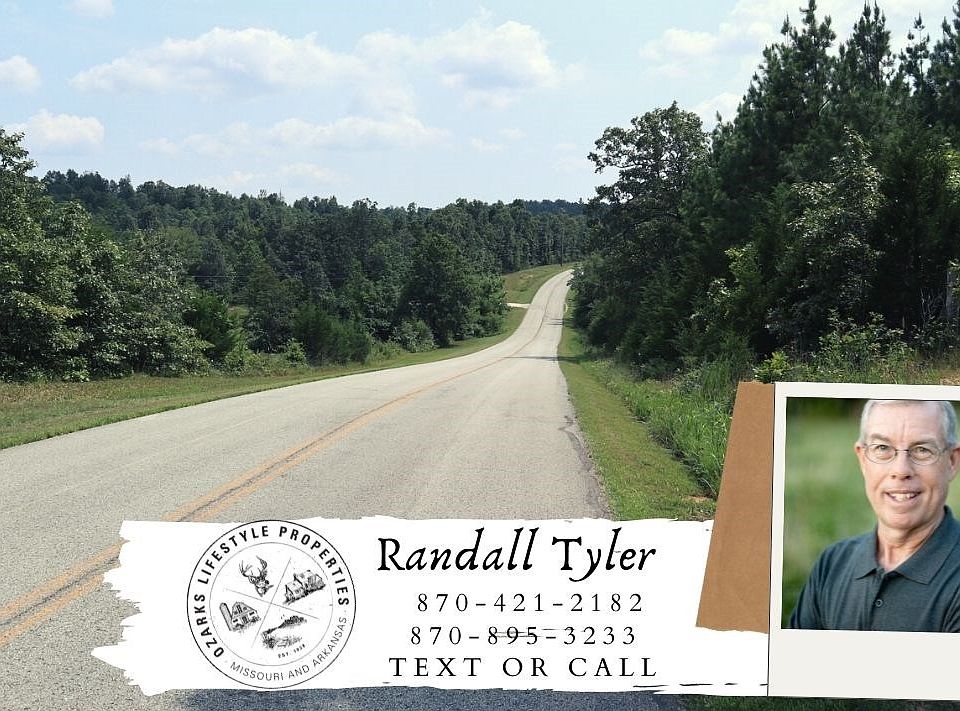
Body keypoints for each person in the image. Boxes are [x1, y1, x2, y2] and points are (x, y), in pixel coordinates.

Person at [790, 399, 960, 631]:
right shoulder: (832, 564)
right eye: (882, 448)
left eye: (922, 450)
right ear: (862, 459)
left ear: (952, 461)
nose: (901, 470)